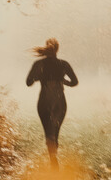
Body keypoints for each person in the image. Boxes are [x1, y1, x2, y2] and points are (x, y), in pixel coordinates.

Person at [26, 38, 78, 170]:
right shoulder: (64, 64)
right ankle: (54, 155)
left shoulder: (39, 64)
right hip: (60, 101)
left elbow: (28, 82)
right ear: (57, 50)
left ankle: (52, 158)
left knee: (48, 131)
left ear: (46, 49)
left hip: (44, 100)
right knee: (55, 131)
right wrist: (62, 80)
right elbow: (74, 82)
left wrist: (38, 77)